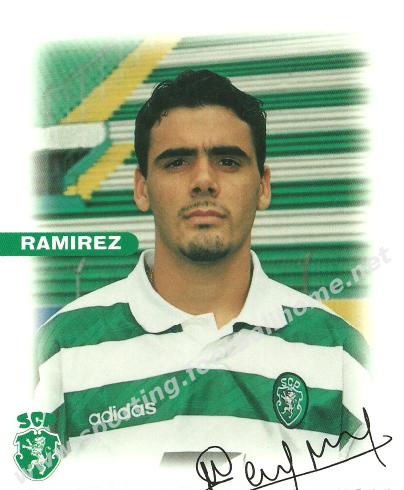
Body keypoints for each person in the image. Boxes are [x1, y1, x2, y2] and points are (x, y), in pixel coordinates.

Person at [34, 70, 369, 481]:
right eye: (177, 162)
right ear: (142, 188)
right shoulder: (59, 353)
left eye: (228, 161)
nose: (204, 181)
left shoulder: (341, 356)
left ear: (263, 186)